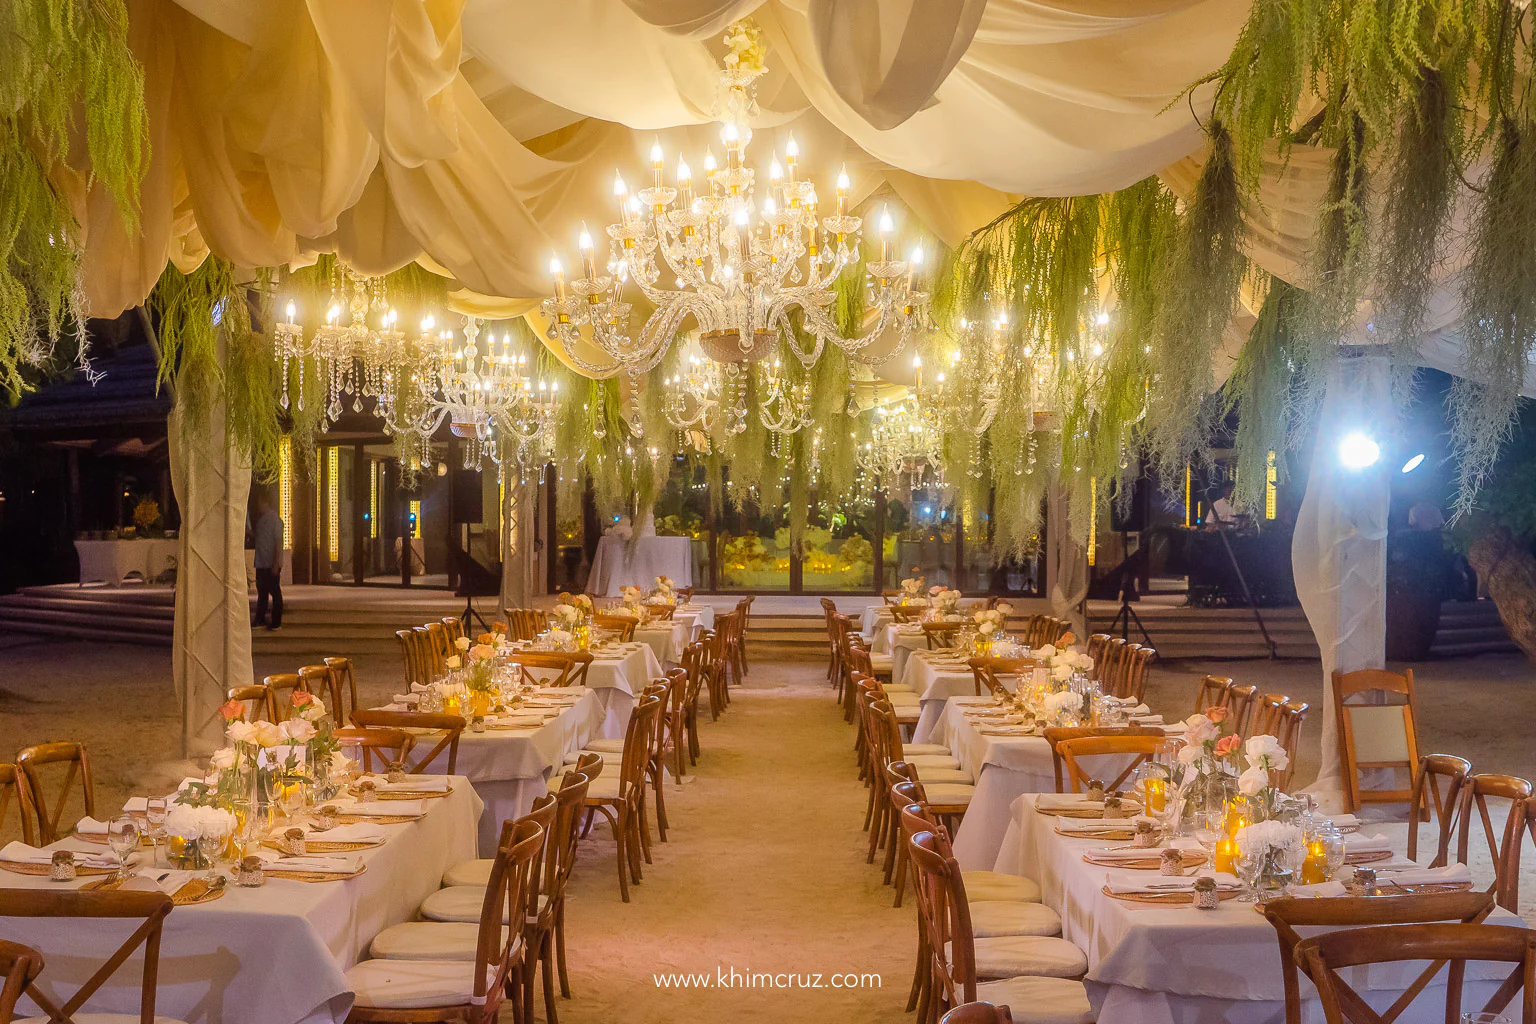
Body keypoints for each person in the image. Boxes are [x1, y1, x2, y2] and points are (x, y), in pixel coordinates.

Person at [252, 491, 284, 631]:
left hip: (269, 563)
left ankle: (276, 621)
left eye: (260, 502)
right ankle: (260, 619)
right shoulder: (262, 519)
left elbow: (278, 542)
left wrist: (276, 563)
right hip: (262, 562)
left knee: (274, 592)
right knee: (262, 592)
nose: (258, 505)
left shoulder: (274, 520)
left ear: (265, 502)